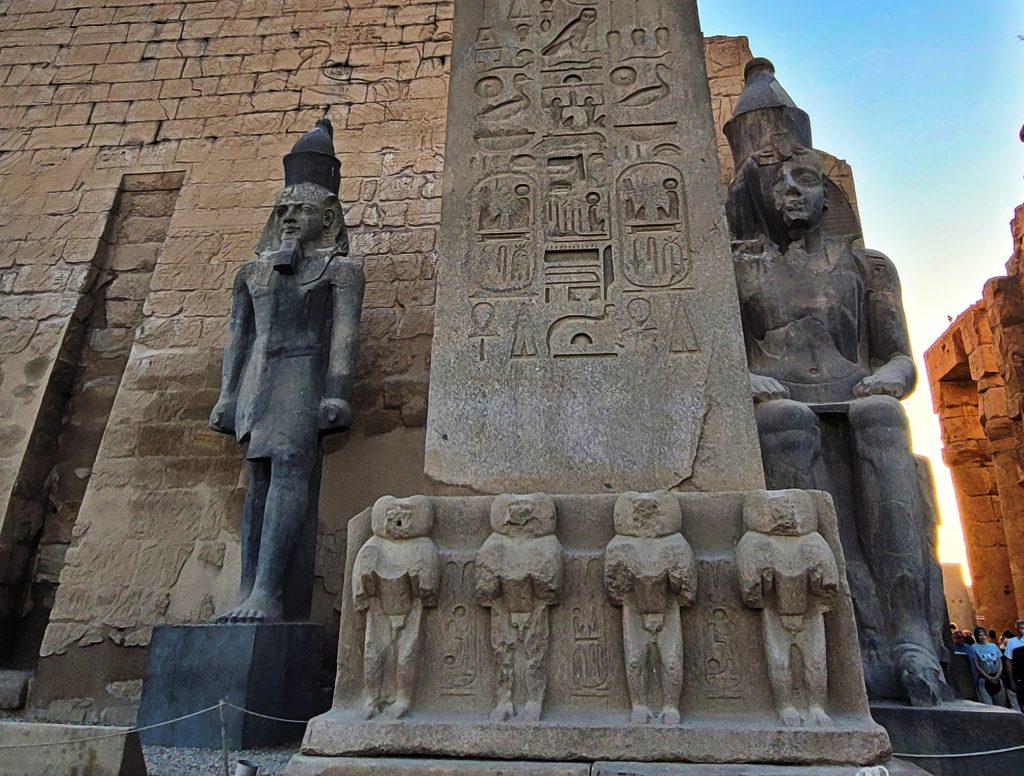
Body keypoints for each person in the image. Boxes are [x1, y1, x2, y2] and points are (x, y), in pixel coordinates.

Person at [723, 58, 951, 706]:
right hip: (778, 392)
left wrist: (884, 381)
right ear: (755, 193)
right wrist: (749, 379)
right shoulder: (737, 268)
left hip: (854, 389)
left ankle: (909, 635)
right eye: (778, 182)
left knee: (882, 418)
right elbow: (723, 358)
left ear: (828, 192)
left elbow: (900, 359)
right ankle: (846, 628)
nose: (792, 191)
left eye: (805, 179)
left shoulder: (867, 265)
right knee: (785, 424)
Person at [209, 119, 365, 623]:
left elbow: (344, 338)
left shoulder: (340, 271)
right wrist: (227, 394)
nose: (292, 217)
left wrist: (336, 393)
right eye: (284, 210)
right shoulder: (251, 272)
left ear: (329, 218)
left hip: (302, 372)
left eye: (303, 210)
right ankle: (248, 589)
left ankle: (269, 592)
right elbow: (238, 338)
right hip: (258, 377)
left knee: (289, 469)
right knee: (257, 478)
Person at [971, 627, 1007, 706]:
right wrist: (988, 677)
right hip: (984, 678)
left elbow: (1000, 662)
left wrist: (997, 676)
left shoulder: (993, 646)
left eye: (984, 634)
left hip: (996, 677)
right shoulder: (974, 648)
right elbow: (977, 665)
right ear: (976, 636)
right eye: (980, 635)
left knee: (1001, 704)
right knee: (988, 705)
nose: (982, 637)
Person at [1005, 619, 1024, 712]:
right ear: (1017, 629)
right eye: (1021, 628)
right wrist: (1011, 680)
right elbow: (1008, 661)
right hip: (1020, 676)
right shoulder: (1012, 642)